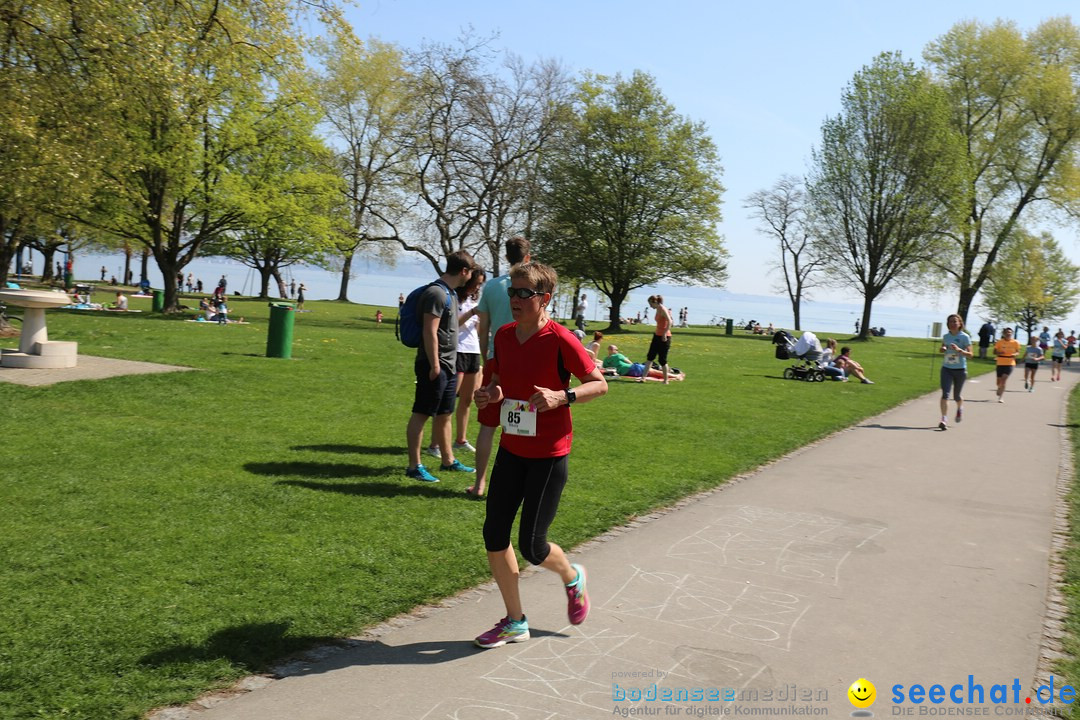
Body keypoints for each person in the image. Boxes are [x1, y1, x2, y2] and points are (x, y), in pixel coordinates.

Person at [472, 261, 607, 649]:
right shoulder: (504, 335)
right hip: (512, 447)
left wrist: (560, 397)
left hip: (549, 453)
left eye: (522, 293)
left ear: (544, 298)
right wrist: (490, 394)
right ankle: (515, 621)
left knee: (532, 545)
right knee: (494, 534)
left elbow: (599, 385)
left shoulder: (561, 339)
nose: (513, 300)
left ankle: (572, 576)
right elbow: (498, 384)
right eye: (510, 293)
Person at [405, 249, 477, 483]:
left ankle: (448, 460)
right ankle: (414, 466)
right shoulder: (436, 293)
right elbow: (430, 329)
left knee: (446, 413)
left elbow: (451, 326)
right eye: (471, 272)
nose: (472, 277)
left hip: (449, 364)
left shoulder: (451, 294)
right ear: (464, 271)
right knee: (422, 412)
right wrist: (435, 364)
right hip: (433, 364)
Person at [472, 236, 532, 498]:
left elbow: (483, 328)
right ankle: (518, 485)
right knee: (522, 423)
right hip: (526, 359)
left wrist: (486, 356)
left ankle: (479, 484)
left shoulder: (493, 287)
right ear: (527, 258)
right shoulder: (532, 287)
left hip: (496, 357)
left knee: (488, 425)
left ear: (506, 257)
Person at [426, 269, 487, 468]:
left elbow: (476, 330)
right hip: (457, 351)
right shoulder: (454, 299)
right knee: (449, 401)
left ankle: (460, 439)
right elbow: (454, 326)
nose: (477, 286)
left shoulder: (474, 300)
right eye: (476, 282)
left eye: (480, 284)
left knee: (468, 399)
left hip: (472, 350)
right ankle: (435, 444)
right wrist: (471, 313)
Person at [938, 314, 972, 430]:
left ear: (960, 323)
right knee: (945, 394)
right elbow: (943, 348)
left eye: (955, 321)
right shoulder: (946, 336)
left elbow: (971, 354)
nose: (953, 323)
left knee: (956, 396)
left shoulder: (964, 337)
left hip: (960, 370)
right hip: (947, 368)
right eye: (951, 322)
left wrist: (960, 350)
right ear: (948, 324)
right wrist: (942, 349)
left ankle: (959, 408)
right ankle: (944, 419)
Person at [602, 344, 685, 381]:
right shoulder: (618, 355)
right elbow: (628, 362)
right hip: (632, 368)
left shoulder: (605, 359)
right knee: (654, 371)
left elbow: (605, 369)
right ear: (614, 350)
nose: (617, 351)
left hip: (626, 373)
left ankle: (673, 375)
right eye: (616, 349)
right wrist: (634, 364)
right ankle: (675, 376)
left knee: (652, 372)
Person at [645, 294, 674, 384]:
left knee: (662, 360)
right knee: (650, 357)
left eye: (650, 304)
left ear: (655, 302)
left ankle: (666, 380)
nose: (650, 306)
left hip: (664, 337)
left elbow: (670, 321)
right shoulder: (657, 309)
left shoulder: (663, 309)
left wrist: (664, 333)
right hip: (657, 335)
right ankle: (643, 377)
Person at [993, 327, 1021, 402]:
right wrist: (999, 352)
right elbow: (994, 352)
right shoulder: (999, 342)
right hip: (1000, 362)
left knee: (1004, 379)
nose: (1008, 334)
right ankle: (999, 387)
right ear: (1004, 334)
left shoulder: (1015, 342)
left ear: (1012, 333)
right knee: (999, 381)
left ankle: (1001, 397)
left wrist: (1015, 354)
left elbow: (1018, 352)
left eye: (1010, 332)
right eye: (1007, 332)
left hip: (1010, 362)